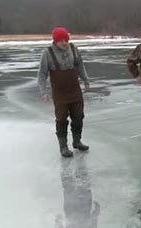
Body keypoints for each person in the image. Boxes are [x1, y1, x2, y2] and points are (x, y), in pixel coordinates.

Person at [37, 27, 90, 157]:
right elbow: (42, 74)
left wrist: (86, 81)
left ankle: (77, 141)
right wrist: (43, 92)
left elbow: (80, 66)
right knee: (61, 119)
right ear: (55, 41)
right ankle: (63, 147)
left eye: (66, 40)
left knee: (78, 116)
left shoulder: (73, 49)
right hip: (59, 93)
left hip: (75, 90)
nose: (64, 43)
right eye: (61, 40)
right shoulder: (47, 53)